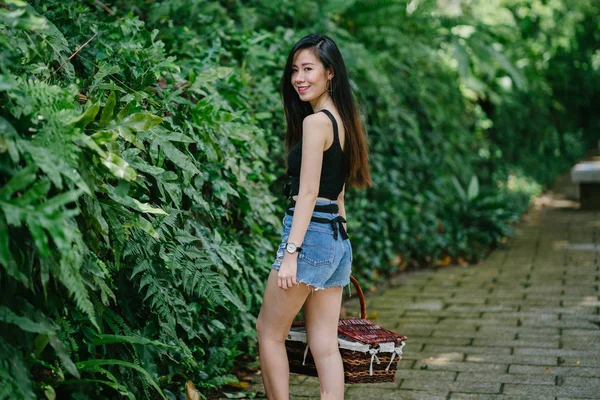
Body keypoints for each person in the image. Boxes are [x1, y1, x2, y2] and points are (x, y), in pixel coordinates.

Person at [255, 33, 371, 400]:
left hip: (309, 238)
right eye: (294, 70)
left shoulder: (316, 123)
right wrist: (342, 250)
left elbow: (307, 193)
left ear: (330, 73)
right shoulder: (345, 121)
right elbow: (337, 194)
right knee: (324, 344)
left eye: (308, 69)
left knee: (269, 332)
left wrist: (291, 254)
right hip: (335, 238)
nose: (299, 78)